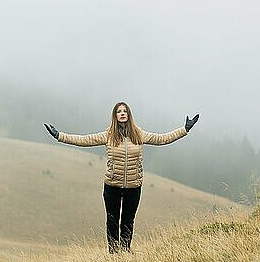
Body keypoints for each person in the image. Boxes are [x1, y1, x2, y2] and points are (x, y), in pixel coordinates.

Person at [44, 101, 199, 254]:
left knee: (127, 221)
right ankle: (113, 254)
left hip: (134, 186)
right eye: (119, 111)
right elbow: (83, 140)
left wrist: (184, 129)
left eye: (125, 111)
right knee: (112, 221)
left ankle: (125, 252)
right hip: (112, 186)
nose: (122, 113)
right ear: (115, 116)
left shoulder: (139, 134)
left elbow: (163, 139)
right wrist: (59, 136)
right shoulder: (108, 136)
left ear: (129, 115)